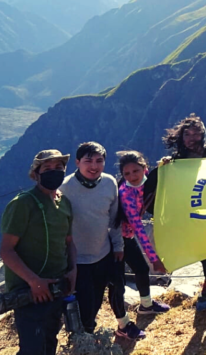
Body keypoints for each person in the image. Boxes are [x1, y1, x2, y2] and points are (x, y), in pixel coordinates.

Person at [144, 113, 206, 310]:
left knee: (205, 248)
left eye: (196, 134)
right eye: (187, 134)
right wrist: (165, 167)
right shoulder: (178, 159)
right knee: (202, 247)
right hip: (189, 211)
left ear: (203, 135)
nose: (191, 138)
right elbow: (167, 182)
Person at [60, 142, 144, 339]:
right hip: (78, 260)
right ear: (77, 162)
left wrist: (118, 245)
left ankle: (121, 326)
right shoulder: (64, 189)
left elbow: (114, 219)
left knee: (113, 291)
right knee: (87, 304)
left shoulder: (109, 183)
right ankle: (84, 340)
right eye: (88, 161)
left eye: (99, 161)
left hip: (104, 253)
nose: (94, 166)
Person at [0, 149, 77, 355]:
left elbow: (69, 242)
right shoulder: (22, 204)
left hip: (58, 287)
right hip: (29, 292)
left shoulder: (64, 203)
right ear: (36, 173)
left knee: (50, 340)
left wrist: (73, 270)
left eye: (59, 168)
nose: (54, 172)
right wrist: (34, 281)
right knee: (32, 348)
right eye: (47, 168)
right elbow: (6, 251)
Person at [116, 151, 171, 315]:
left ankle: (146, 305)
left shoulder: (148, 183)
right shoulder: (126, 194)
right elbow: (138, 227)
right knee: (117, 279)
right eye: (127, 173)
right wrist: (154, 259)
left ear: (145, 169)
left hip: (127, 236)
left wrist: (167, 165)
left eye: (135, 171)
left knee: (141, 269)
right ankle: (122, 321)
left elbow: (162, 176)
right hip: (116, 240)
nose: (132, 176)